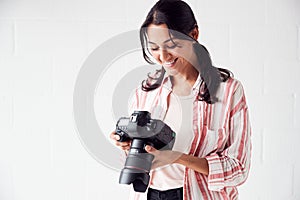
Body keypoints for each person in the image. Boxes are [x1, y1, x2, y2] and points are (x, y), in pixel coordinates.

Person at [110, 0, 252, 199]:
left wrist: (179, 158)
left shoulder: (228, 92)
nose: (163, 56)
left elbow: (238, 169)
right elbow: (139, 160)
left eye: (172, 45)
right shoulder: (145, 92)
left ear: (194, 35)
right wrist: (127, 145)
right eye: (154, 48)